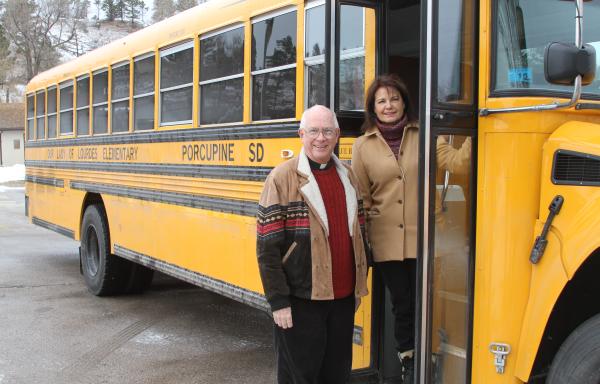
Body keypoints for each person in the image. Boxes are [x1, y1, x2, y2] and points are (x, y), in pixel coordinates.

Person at [256, 105, 369, 384]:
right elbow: (267, 247)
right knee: (301, 377)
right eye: (314, 131)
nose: (321, 138)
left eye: (328, 131)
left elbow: (361, 233)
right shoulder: (282, 178)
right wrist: (278, 301)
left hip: (342, 300)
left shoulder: (349, 176)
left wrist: (358, 286)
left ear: (337, 134)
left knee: (336, 375)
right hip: (300, 300)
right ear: (301, 134)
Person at [351, 74, 419, 383]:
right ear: (373, 108)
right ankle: (409, 362)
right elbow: (361, 197)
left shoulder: (426, 134)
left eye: (394, 99)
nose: (388, 105)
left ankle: (428, 353)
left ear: (404, 101)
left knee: (426, 301)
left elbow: (453, 161)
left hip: (424, 237)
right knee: (403, 303)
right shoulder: (362, 146)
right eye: (381, 101)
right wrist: (363, 244)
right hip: (386, 239)